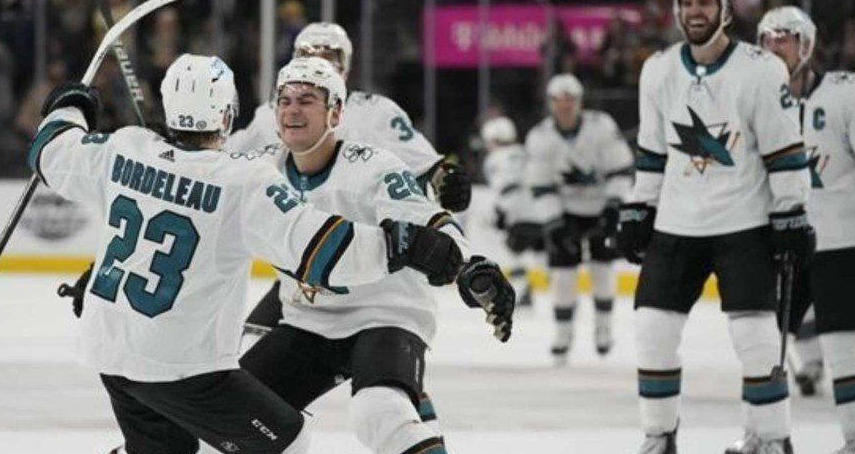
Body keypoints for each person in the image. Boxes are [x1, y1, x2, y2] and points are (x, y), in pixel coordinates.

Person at [32, 54, 464, 454]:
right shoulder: (242, 180)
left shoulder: (125, 147)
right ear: (226, 114)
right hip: (182, 365)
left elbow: (50, 152)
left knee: (158, 452)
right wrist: (401, 246)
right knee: (285, 444)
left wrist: (69, 104)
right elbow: (320, 249)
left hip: (111, 352)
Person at [616, 0, 813, 454]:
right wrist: (638, 209)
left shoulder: (759, 69)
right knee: (653, 330)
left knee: (755, 340)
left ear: (727, 9)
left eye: (705, 3)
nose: (694, 13)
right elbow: (653, 153)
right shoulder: (657, 71)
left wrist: (792, 212)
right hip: (676, 225)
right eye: (686, 4)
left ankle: (775, 445)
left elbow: (785, 149)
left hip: (743, 223)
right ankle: (659, 441)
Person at [740, 5, 855, 454]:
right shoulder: (751, 100)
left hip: (844, 239)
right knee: (762, 339)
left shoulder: (850, 93)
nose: (774, 48)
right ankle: (762, 436)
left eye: (785, 39)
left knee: (846, 342)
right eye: (767, 40)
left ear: (807, 45)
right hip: (782, 236)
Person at [226, 21, 471, 213]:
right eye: (309, 56)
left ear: (346, 66)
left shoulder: (377, 112)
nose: (319, 65)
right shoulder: (272, 114)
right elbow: (226, 159)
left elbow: (425, 166)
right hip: (299, 249)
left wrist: (444, 180)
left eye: (330, 58)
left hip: (359, 244)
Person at [510, 74, 633, 359]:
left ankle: (604, 328)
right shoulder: (539, 137)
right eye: (559, 100)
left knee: (602, 272)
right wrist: (554, 223)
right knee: (563, 277)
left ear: (580, 101)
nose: (565, 106)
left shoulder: (601, 127)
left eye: (571, 100)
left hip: (602, 207)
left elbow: (622, 170)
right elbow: (540, 186)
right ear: (550, 103)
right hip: (565, 212)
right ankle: (563, 332)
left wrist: (614, 207)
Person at [480, 115, 532, 305]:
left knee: (511, 250)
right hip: (537, 205)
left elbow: (503, 186)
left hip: (513, 208)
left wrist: (499, 212)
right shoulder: (524, 151)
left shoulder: (494, 159)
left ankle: (520, 289)